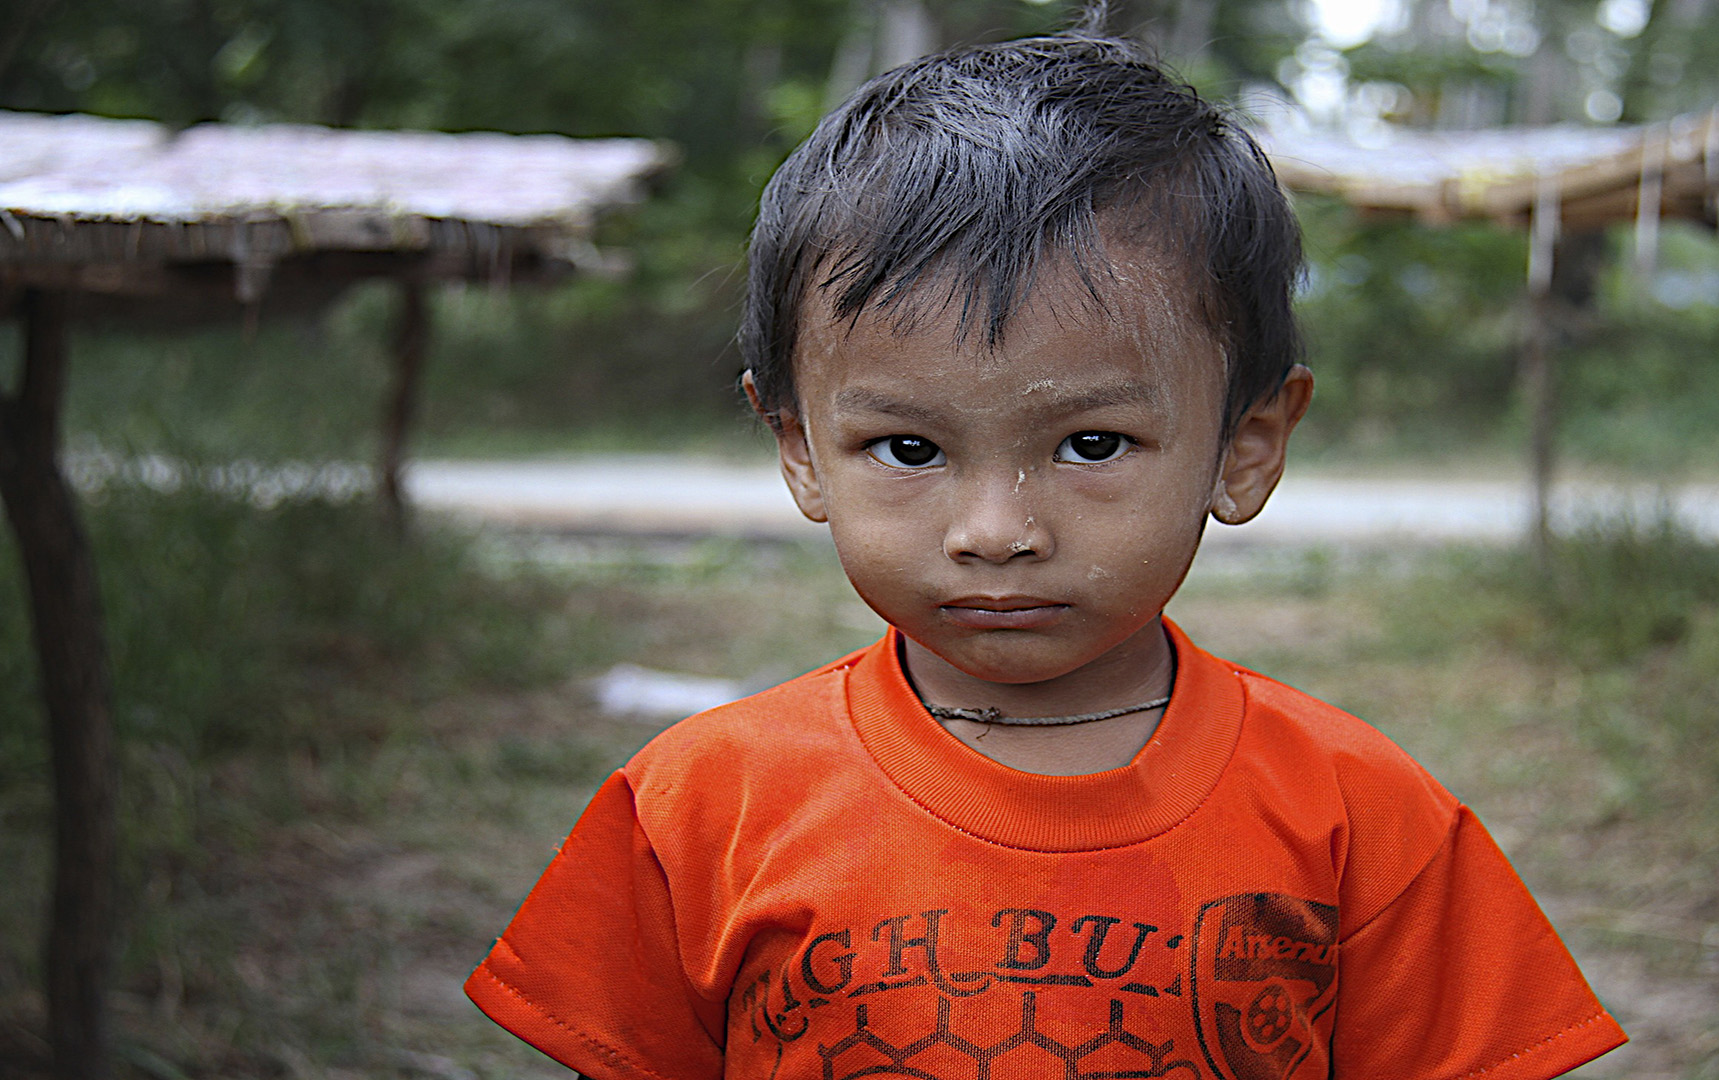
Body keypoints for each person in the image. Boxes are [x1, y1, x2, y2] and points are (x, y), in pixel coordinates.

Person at [465, 16, 1628, 1080]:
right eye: (909, 449)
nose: (997, 532)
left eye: (1091, 442)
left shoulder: (1360, 819)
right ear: (802, 450)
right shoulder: (696, 809)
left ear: (1246, 446)